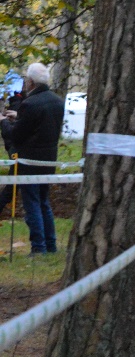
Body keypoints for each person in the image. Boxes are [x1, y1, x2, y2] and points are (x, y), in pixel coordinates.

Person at [4, 63, 65, 255]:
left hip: (29, 161)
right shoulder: (57, 101)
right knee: (44, 202)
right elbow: (39, 126)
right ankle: (51, 244)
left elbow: (17, 136)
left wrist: (4, 122)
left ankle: (38, 247)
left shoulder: (30, 104)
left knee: (32, 204)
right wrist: (18, 117)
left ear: (30, 82)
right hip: (49, 159)